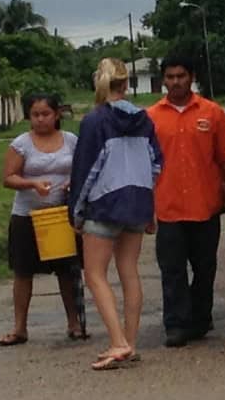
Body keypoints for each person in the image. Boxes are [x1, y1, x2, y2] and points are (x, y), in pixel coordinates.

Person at [69, 59, 162, 370]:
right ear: (126, 84)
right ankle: (130, 342)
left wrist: (76, 213)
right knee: (129, 271)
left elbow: (85, 170)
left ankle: (117, 342)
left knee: (95, 274)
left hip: (104, 204)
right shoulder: (146, 120)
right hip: (137, 202)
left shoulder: (94, 121)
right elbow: (155, 164)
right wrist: (149, 205)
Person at [147, 56, 225, 347]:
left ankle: (200, 318)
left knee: (205, 268)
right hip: (168, 206)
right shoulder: (151, 117)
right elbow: (144, 162)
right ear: (163, 80)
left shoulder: (212, 113)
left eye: (181, 76)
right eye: (170, 76)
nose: (176, 82)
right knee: (172, 269)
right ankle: (176, 324)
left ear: (191, 77)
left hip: (206, 206)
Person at [0, 93, 83, 346]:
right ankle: (20, 328)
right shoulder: (21, 144)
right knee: (23, 272)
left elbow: (83, 169)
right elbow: (8, 177)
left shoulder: (71, 141)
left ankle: (74, 323)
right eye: (35, 115)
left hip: (60, 215)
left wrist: (72, 183)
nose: (40, 120)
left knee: (67, 271)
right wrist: (31, 183)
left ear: (56, 114)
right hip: (27, 216)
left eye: (45, 114)